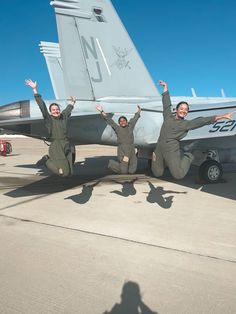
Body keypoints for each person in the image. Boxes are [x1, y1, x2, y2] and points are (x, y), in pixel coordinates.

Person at [151, 80, 234, 180]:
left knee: (178, 175)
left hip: (171, 148)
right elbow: (166, 105)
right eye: (181, 108)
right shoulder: (168, 116)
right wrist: (165, 89)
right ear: (176, 110)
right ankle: (160, 159)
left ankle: (188, 155)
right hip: (159, 145)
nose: (183, 111)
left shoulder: (185, 124)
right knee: (157, 173)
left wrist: (222, 117)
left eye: (186, 110)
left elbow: (201, 121)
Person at [25, 79, 76, 177]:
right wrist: (35, 90)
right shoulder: (49, 119)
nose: (56, 111)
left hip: (66, 145)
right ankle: (47, 160)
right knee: (64, 173)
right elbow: (42, 106)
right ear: (50, 112)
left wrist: (73, 102)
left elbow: (69, 109)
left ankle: (52, 162)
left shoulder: (63, 116)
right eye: (53, 110)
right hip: (56, 146)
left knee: (70, 172)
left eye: (57, 109)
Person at [96, 104, 141, 174]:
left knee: (132, 170)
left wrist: (138, 112)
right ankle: (110, 164)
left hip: (131, 149)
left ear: (126, 121)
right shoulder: (118, 128)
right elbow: (110, 121)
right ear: (119, 123)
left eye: (124, 120)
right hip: (123, 151)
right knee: (124, 171)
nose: (122, 122)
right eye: (121, 121)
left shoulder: (130, 126)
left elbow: (135, 119)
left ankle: (126, 169)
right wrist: (101, 111)